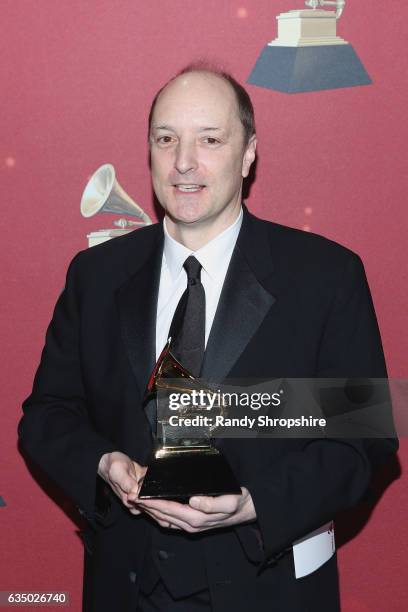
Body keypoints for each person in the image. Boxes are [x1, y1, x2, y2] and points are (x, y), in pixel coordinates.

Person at [18, 64, 398, 612]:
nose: (184, 162)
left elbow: (364, 441)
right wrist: (105, 465)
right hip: (126, 586)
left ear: (248, 155)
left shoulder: (325, 277)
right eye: (166, 139)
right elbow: (48, 415)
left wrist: (252, 504)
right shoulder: (95, 276)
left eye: (210, 140)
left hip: (271, 586)